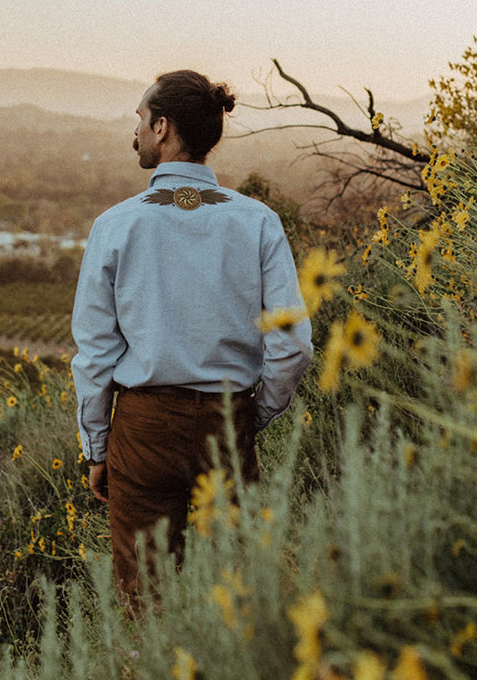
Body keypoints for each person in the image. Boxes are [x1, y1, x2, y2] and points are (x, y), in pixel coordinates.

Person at [71, 69, 312, 609]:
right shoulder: (258, 222)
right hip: (227, 421)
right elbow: (293, 344)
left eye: (139, 119)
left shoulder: (115, 225)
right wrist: (251, 414)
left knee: (146, 597)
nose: (134, 132)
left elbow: (94, 353)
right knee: (236, 589)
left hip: (144, 430)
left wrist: (96, 445)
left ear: (162, 127)